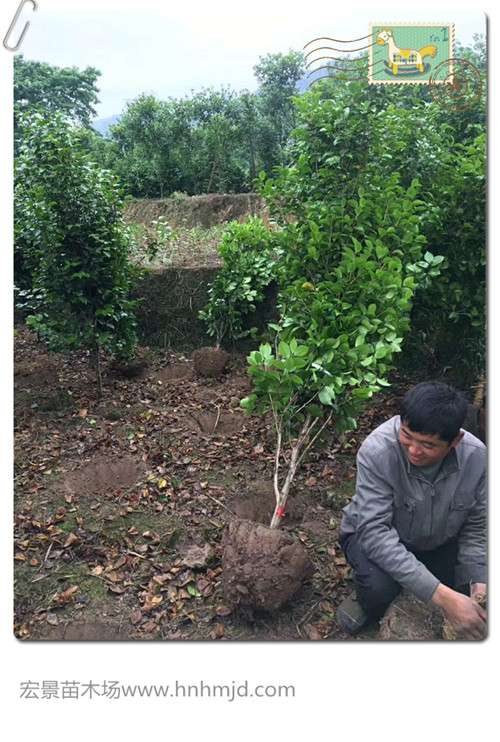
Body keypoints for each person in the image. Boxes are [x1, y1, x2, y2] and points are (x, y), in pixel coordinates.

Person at [337, 381, 487, 639]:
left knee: (474, 593)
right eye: (407, 436)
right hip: (374, 537)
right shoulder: (377, 451)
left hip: (438, 541)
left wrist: (478, 582)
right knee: (378, 592)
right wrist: (443, 597)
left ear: (455, 440)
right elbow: (375, 533)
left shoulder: (477, 457)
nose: (414, 451)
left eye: (428, 445)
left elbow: (477, 525)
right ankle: (366, 596)